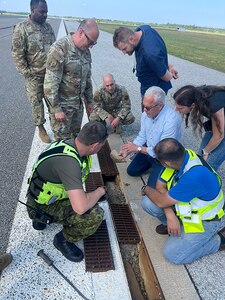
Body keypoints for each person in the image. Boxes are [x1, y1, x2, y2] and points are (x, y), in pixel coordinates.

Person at [26, 121, 108, 262]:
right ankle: (62, 240)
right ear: (94, 145)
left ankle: (39, 220)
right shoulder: (69, 163)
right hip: (40, 207)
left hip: (37, 197)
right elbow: (80, 208)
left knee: (84, 198)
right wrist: (100, 192)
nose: (102, 148)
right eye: (102, 145)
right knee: (94, 215)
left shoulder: (69, 144)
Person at [141, 138, 225, 264]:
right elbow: (160, 187)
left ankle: (219, 240)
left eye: (158, 161)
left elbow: (161, 201)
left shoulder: (195, 175)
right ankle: (173, 225)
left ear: (166, 163)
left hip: (206, 220)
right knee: (147, 203)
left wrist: (145, 188)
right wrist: (170, 216)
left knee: (173, 255)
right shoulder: (180, 156)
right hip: (187, 209)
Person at [44, 19, 99, 140]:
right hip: (62, 110)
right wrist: (56, 108)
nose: (91, 46)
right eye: (90, 42)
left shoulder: (86, 52)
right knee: (62, 142)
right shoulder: (60, 49)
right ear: (80, 32)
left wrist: (89, 101)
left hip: (77, 108)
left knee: (75, 139)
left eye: (93, 44)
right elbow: (50, 83)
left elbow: (87, 79)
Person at [119, 86, 182, 188]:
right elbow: (142, 135)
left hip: (163, 157)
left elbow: (162, 151)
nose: (144, 110)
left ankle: (165, 171)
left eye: (148, 107)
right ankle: (151, 166)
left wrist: (138, 148)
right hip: (148, 149)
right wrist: (129, 148)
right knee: (132, 171)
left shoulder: (171, 121)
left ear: (160, 106)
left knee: (153, 187)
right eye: (143, 105)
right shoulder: (146, 114)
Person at [12, 0, 56, 143]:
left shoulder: (48, 27)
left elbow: (55, 49)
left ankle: (56, 127)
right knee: (36, 104)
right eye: (42, 11)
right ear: (32, 10)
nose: (45, 15)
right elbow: (18, 55)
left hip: (50, 76)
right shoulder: (22, 28)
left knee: (54, 103)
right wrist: (28, 73)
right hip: (34, 76)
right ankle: (41, 128)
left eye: (46, 12)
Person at [113, 26, 178, 106]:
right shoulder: (143, 29)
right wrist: (166, 65)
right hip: (147, 83)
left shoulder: (149, 53)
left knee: (150, 114)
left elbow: (167, 77)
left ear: (131, 39)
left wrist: (170, 69)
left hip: (153, 91)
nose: (124, 52)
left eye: (124, 48)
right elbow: (157, 56)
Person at [173, 85, 225, 172]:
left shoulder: (213, 105)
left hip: (220, 129)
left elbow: (219, 136)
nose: (176, 110)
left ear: (192, 105)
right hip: (220, 121)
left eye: (180, 108)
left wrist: (206, 152)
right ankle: (197, 173)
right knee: (200, 157)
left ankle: (206, 180)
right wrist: (204, 153)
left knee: (210, 164)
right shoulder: (198, 95)